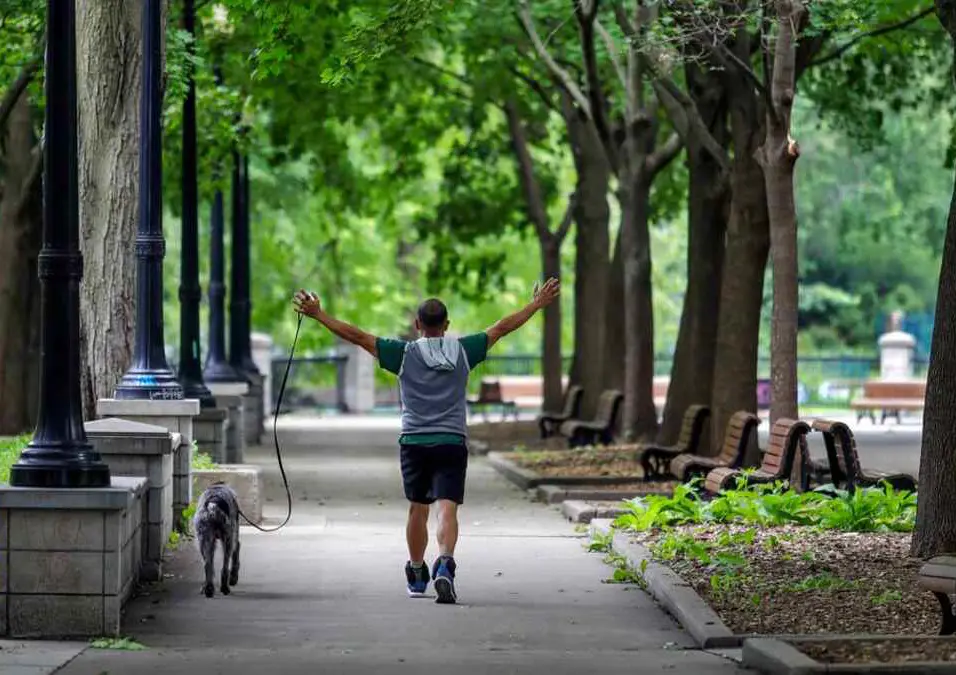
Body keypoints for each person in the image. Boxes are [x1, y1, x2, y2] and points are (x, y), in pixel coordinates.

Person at [292, 278, 561, 604]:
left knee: (418, 509)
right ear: (446, 325)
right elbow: (501, 328)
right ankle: (445, 562)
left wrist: (319, 314)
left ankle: (418, 571)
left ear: (417, 324)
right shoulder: (463, 350)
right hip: (451, 441)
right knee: (447, 507)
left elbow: (357, 336)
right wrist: (536, 304)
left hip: (414, 442)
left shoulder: (402, 353)